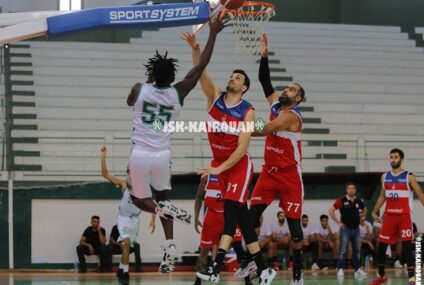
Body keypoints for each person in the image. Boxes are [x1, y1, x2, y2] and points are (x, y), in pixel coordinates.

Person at [126, 17, 226, 273]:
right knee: (163, 197)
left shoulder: (139, 89)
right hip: (162, 155)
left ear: (150, 73)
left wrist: (140, 89)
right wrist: (213, 33)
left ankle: (162, 210)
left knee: (138, 198)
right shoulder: (179, 91)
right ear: (171, 75)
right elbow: (201, 65)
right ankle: (170, 244)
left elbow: (129, 102)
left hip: (140, 153)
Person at [182, 32, 275, 285]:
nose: (232, 78)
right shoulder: (214, 96)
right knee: (244, 223)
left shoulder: (247, 111)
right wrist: (195, 49)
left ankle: (216, 265)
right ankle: (265, 269)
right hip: (221, 168)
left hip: (238, 167)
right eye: (232, 75)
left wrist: (217, 168)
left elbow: (242, 149)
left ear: (244, 86)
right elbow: (198, 71)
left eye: (238, 77)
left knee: (231, 213)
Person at [245, 33, 305, 285]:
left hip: (290, 175)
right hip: (269, 172)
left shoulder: (293, 116)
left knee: (294, 231)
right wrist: (264, 55)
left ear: (298, 98)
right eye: (286, 87)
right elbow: (263, 80)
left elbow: (268, 129)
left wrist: (245, 126)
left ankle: (298, 276)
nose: (285, 89)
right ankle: (255, 267)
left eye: (291, 89)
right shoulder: (274, 106)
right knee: (248, 219)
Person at [100, 146, 156, 283]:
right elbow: (105, 174)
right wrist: (103, 156)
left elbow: (154, 206)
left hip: (135, 221)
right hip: (123, 218)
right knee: (126, 242)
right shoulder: (123, 185)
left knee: (127, 247)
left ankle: (121, 269)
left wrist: (153, 220)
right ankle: (125, 274)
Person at [369, 149, 424, 285]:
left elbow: (421, 195)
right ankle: (381, 276)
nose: (393, 159)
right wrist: (374, 211)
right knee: (381, 246)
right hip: (389, 217)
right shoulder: (384, 177)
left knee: (407, 246)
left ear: (401, 159)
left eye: (396, 157)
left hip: (404, 217)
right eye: (391, 157)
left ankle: (412, 279)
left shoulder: (408, 176)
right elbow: (382, 196)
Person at [193, 175, 253, 285]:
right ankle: (197, 281)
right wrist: (196, 218)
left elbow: (243, 199)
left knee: (238, 247)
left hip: (231, 214)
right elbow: (199, 197)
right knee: (204, 249)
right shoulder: (207, 178)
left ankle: (248, 280)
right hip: (212, 215)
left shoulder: (237, 177)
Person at [328, 182, 368, 277]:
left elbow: (365, 208)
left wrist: (363, 216)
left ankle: (357, 269)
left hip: (356, 229)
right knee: (342, 250)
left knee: (357, 250)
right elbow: (330, 210)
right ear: (346, 190)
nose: (351, 190)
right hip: (345, 229)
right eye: (349, 189)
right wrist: (338, 222)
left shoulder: (358, 201)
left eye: (353, 188)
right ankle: (340, 269)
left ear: (355, 190)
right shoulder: (342, 200)